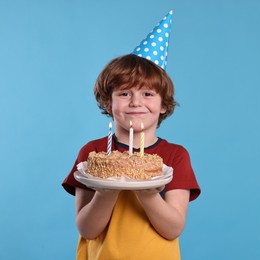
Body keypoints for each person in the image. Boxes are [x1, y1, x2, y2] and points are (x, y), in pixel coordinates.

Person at [62, 11, 200, 260]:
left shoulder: (174, 156)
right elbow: (87, 229)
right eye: (124, 93)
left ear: (164, 105)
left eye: (148, 94)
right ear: (108, 103)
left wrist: (148, 192)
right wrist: (107, 188)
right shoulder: (94, 154)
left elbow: (173, 229)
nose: (136, 102)